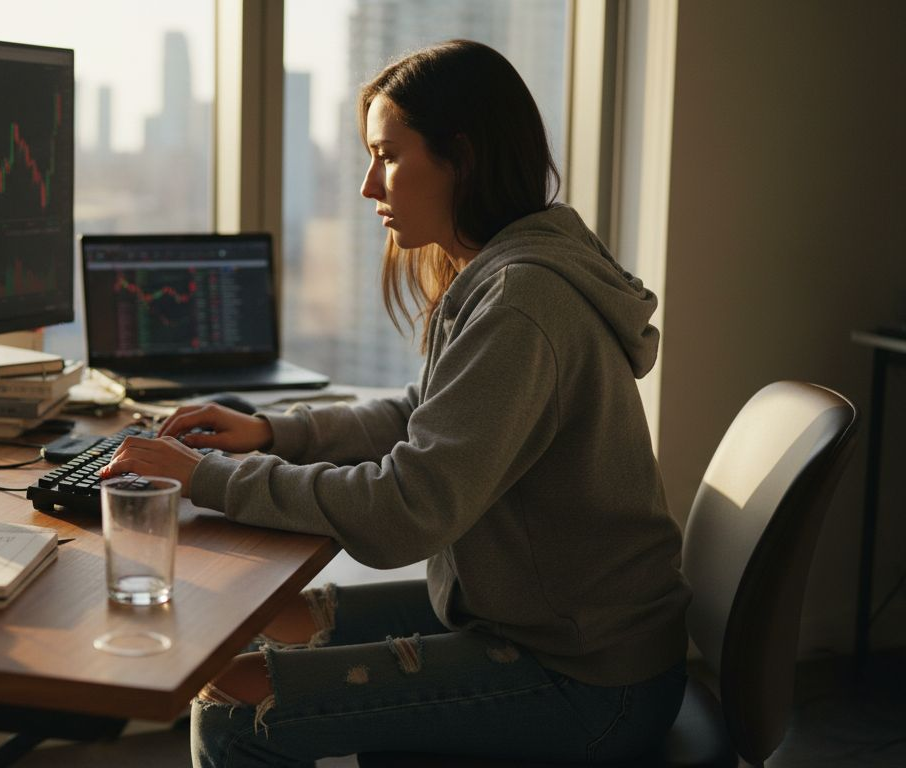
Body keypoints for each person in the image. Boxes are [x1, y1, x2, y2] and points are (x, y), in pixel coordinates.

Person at [101, 39, 690, 767]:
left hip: (589, 679)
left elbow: (403, 512)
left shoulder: (520, 303)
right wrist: (269, 432)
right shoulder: (512, 265)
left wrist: (205, 477)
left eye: (388, 156)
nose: (368, 187)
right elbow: (420, 413)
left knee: (232, 710)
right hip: (556, 626)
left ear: (461, 159)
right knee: (263, 624)